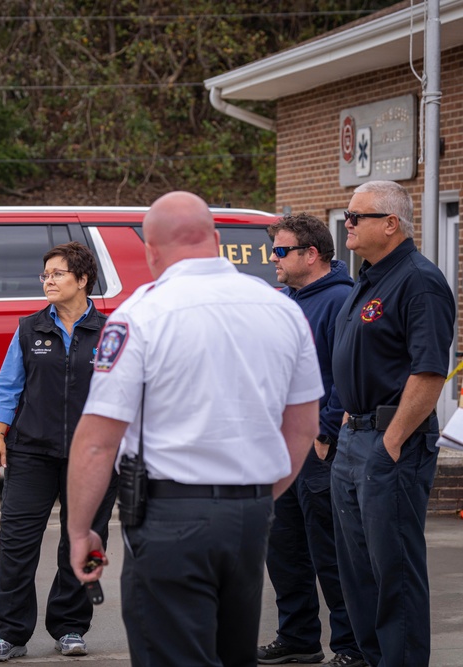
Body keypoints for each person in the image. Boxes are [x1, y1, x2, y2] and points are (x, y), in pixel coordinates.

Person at [65, 191, 323, 667]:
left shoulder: (140, 315)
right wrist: (261, 496)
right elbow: (303, 427)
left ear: (150, 249)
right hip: (249, 516)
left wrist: (80, 531)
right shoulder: (282, 310)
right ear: (218, 240)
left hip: (170, 517)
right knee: (233, 654)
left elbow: (99, 441)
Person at [331, 180, 455, 667]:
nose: (348, 223)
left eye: (357, 216)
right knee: (357, 569)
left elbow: (429, 372)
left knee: (394, 571)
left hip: (390, 443)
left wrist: (392, 439)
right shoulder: (369, 277)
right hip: (353, 435)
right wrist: (349, 414)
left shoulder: (418, 280)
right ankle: (369, 658)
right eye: (348, 214)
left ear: (390, 223)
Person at [0, 242, 118, 662]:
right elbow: (7, 387)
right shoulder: (30, 328)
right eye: (46, 275)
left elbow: (126, 391)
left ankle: (72, 626)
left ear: (82, 279)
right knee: (16, 544)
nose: (48, 281)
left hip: (93, 455)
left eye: (57, 274)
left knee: (85, 542)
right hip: (32, 451)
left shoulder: (112, 331)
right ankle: (8, 633)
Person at [258, 214, 363, 667]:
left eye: (280, 251)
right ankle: (298, 638)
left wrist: (325, 430)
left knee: (330, 552)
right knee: (283, 548)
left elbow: (345, 369)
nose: (273, 259)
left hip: (318, 449)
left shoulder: (341, 299)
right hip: (278, 448)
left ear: (311, 254)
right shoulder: (285, 300)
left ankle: (351, 644)